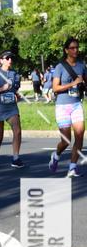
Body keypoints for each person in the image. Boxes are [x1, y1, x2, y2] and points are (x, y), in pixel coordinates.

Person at [50, 37, 85, 178]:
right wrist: (72, 83)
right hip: (62, 106)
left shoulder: (81, 66)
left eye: (77, 47)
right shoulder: (60, 67)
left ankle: (72, 167)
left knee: (80, 134)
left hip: (76, 104)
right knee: (66, 141)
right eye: (72, 48)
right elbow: (55, 88)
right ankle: (56, 155)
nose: (75, 50)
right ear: (66, 50)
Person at [0, 51, 23, 169]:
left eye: (11, 58)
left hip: (11, 107)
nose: (10, 60)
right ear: (1, 60)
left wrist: (16, 95)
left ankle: (16, 158)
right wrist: (2, 88)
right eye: (7, 58)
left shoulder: (14, 74)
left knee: (17, 131)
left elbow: (14, 89)